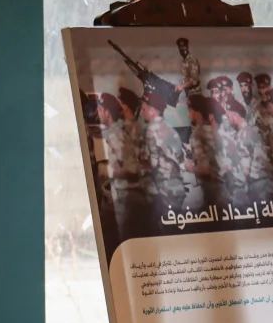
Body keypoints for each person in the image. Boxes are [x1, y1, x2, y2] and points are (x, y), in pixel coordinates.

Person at [98, 93, 147, 237]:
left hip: (127, 199)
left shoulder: (116, 134)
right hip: (123, 197)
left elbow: (132, 168)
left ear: (107, 113)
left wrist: (108, 172)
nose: (97, 113)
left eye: (100, 110)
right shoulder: (115, 132)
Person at [140, 91, 187, 222]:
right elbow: (181, 161)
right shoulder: (170, 129)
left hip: (164, 190)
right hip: (178, 188)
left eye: (144, 109)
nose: (142, 113)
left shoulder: (151, 129)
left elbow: (153, 163)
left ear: (152, 110)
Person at [186, 95, 230, 210]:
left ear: (197, 112)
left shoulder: (197, 134)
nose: (188, 114)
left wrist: (190, 167)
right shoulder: (216, 130)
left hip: (213, 190)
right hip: (227, 187)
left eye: (190, 110)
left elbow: (205, 170)